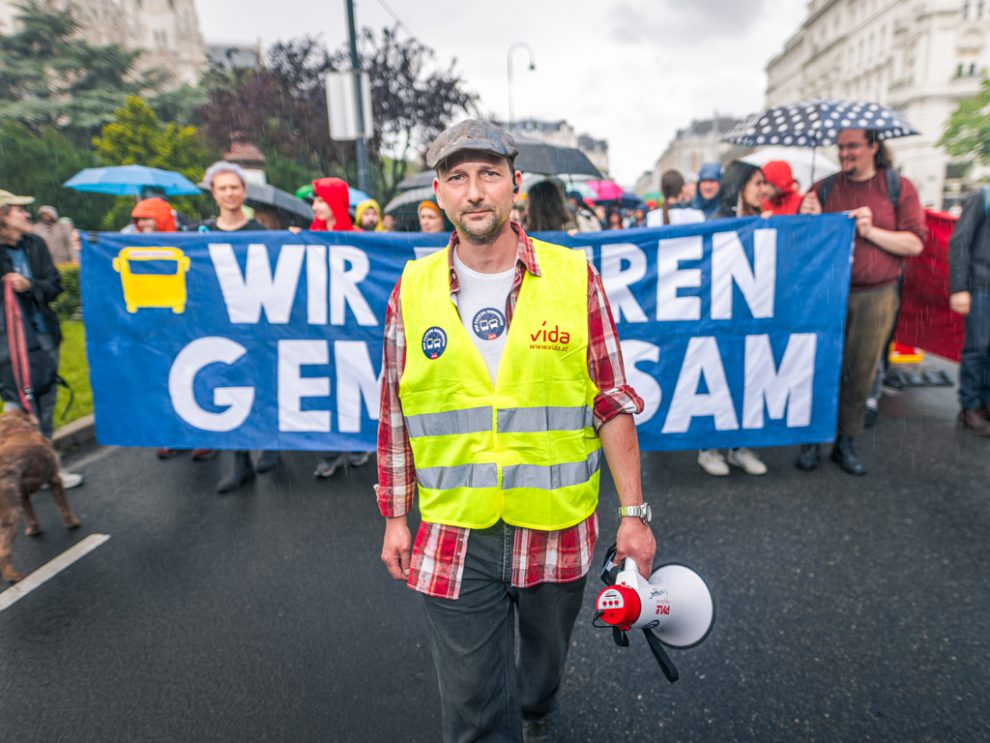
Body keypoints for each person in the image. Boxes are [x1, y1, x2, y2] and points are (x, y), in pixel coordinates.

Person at [377, 119, 656, 743]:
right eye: (457, 178)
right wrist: (397, 516)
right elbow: (395, 411)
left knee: (540, 676)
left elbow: (611, 400)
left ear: (514, 185)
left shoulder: (574, 276)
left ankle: (536, 707)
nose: (474, 191)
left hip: (556, 526)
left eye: (489, 174)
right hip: (454, 529)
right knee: (475, 710)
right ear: (440, 195)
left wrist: (634, 513)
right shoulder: (411, 288)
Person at [796, 128, 925, 474]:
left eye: (852, 146)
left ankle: (845, 442)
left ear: (873, 146)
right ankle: (813, 440)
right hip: (826, 294)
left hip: (876, 295)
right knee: (821, 368)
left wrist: (871, 232)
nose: (844, 154)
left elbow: (914, 244)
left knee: (860, 371)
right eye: (840, 147)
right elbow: (799, 244)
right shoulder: (824, 187)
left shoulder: (898, 186)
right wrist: (804, 217)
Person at [197, 162, 278, 493]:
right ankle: (239, 460)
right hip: (218, 324)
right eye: (223, 188)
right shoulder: (200, 235)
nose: (230, 193)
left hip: (255, 324)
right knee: (229, 388)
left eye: (235, 187)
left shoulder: (259, 232)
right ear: (214, 193)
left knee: (261, 385)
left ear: (243, 192)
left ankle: (272, 442)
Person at [0, 190, 83, 488]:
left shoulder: (35, 244)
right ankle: (11, 471)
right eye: (18, 211)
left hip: (42, 335)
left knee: (45, 400)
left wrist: (29, 285)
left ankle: (50, 471)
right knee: (15, 406)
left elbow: (54, 284)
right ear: (2, 217)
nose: (26, 215)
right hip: (8, 343)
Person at [695, 161, 770, 477]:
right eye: (757, 183)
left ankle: (740, 447)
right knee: (719, 380)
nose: (763, 190)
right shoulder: (719, 221)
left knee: (747, 382)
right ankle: (709, 448)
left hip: (751, 318)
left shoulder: (761, 219)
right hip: (722, 318)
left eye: (764, 183)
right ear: (740, 187)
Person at [129, 198, 216, 461]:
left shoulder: (186, 244)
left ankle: (205, 435)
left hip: (187, 324)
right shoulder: (133, 248)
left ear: (162, 218)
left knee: (196, 379)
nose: (143, 224)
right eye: (138, 220)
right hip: (157, 327)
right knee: (166, 381)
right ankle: (176, 435)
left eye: (148, 218)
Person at [307, 177, 372, 480]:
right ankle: (330, 451)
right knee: (325, 386)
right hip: (319, 325)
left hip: (351, 324)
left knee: (352, 383)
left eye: (320, 200)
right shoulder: (308, 237)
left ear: (334, 202)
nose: (316, 207)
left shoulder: (356, 237)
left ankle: (358, 442)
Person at [948, 187, 990, 436]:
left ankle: (985, 403)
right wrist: (960, 288)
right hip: (981, 285)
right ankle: (970, 407)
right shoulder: (982, 196)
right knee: (978, 349)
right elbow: (960, 241)